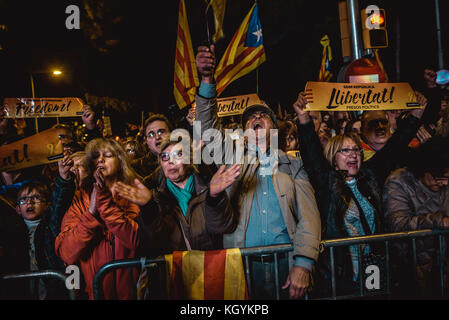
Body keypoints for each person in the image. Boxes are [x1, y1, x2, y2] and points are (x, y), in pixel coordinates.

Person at [195, 45, 321, 300]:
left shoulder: (292, 164)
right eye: (251, 118)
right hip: (242, 266)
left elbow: (309, 215)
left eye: (264, 116)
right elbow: (206, 126)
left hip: (286, 266)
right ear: (243, 133)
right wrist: (207, 81)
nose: (257, 118)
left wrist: (304, 263)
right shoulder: (231, 159)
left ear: (275, 130)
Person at [293, 89, 428, 296]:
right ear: (332, 156)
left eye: (356, 150)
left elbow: (396, 146)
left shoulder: (371, 176)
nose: (353, 155)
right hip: (341, 274)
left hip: (376, 270)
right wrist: (303, 118)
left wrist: (416, 115)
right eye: (345, 151)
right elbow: (310, 151)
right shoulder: (325, 181)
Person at [113, 138, 239, 258]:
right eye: (165, 157)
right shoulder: (156, 197)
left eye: (178, 155)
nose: (170, 161)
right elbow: (154, 242)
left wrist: (214, 198)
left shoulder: (207, 189)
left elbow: (223, 227)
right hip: (176, 272)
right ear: (160, 163)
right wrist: (148, 207)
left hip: (210, 269)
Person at [55, 138, 141, 300]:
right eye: (95, 156)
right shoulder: (79, 200)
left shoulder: (133, 194)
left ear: (120, 161)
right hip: (96, 293)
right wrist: (91, 214)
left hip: (131, 294)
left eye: (108, 155)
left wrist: (104, 204)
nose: (100, 159)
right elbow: (67, 253)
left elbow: (134, 239)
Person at [382, 137, 449, 297]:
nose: (444, 184)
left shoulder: (445, 183)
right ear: (424, 169)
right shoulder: (399, 182)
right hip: (410, 267)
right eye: (439, 177)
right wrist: (440, 221)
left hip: (442, 264)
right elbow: (397, 223)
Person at [14, 155, 76, 299]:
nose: (29, 203)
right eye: (24, 200)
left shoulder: (50, 224)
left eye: (36, 198)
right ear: (17, 208)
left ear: (47, 204)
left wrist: (63, 178)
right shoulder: (13, 231)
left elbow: (59, 202)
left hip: (52, 291)